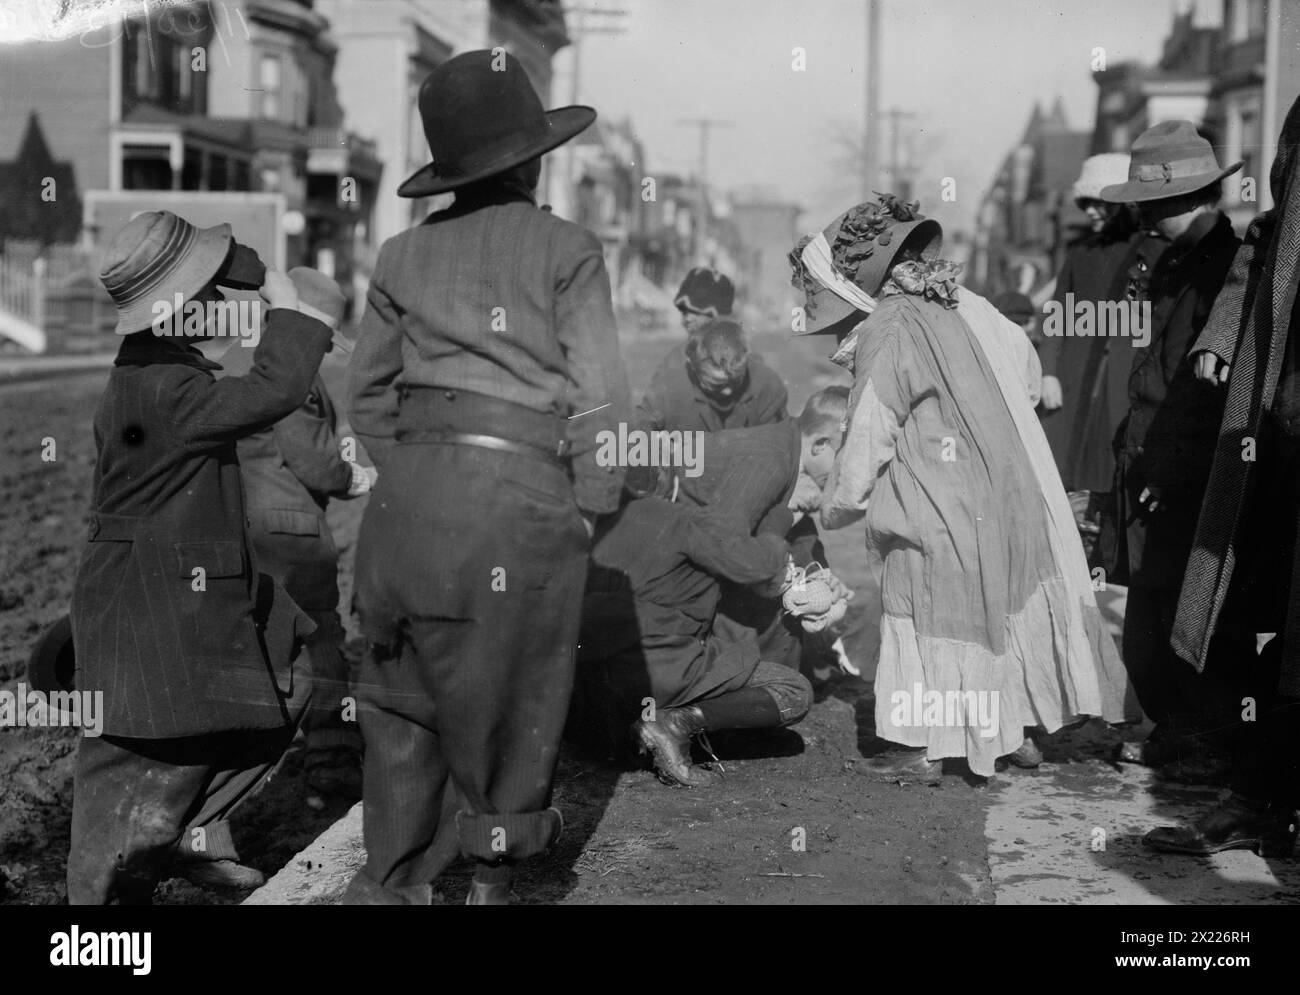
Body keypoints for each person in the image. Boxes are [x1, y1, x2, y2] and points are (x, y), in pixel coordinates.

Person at [344, 50, 630, 906]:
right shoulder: (567, 248)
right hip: (515, 510)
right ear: (534, 159)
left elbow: (365, 399)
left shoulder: (399, 256)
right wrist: (589, 508)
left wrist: (426, 476)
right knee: (508, 711)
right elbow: (602, 405)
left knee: (401, 711)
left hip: (403, 516)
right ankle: (494, 889)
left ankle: (387, 887)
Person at [791, 193, 1135, 780]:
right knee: (998, 607)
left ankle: (927, 749)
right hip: (1010, 490)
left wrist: (835, 506)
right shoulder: (968, 304)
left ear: (858, 284)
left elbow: (871, 431)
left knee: (931, 610)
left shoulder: (887, 329)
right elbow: (1027, 373)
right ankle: (1010, 731)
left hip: (938, 502)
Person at [67, 211, 338, 903]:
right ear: (177, 312)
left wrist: (231, 264)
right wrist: (283, 297)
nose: (220, 308)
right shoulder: (170, 389)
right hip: (152, 615)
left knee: (294, 672)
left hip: (176, 591)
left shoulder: (154, 371)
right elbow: (275, 389)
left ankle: (189, 831)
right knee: (121, 800)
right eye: (205, 296)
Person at [1148, 95, 1300, 856]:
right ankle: (1259, 789)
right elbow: (1268, 245)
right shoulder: (1297, 126)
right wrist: (1223, 329)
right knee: (1254, 598)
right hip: (1277, 414)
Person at [1096, 121, 1255, 772]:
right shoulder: (1174, 261)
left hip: (1181, 467)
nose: (1141, 214)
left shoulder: (1225, 266)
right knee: (1147, 610)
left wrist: (1171, 466)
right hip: (1147, 456)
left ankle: (1196, 738)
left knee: (1177, 611)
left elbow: (1205, 386)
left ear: (1182, 199)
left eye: (1150, 202)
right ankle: (1175, 731)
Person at [579, 465, 837, 787]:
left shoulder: (592, 524)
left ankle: (635, 731)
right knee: (794, 690)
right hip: (658, 671)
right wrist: (779, 519)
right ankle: (674, 724)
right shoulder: (684, 522)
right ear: (668, 481)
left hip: (593, 687)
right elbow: (760, 565)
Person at [213, 297, 375, 807]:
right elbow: (313, 460)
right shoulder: (291, 373)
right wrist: (356, 477)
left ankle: (222, 784)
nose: (323, 350)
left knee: (248, 643)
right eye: (324, 338)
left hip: (234, 528)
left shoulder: (236, 358)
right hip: (289, 530)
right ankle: (331, 760)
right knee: (320, 637)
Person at [1038, 154, 1140, 493]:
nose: (1091, 212)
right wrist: (1048, 372)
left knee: (1107, 477)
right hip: (1073, 378)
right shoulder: (1079, 254)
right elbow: (1056, 318)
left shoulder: (1147, 250)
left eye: (1099, 204)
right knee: (1061, 471)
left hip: (1118, 382)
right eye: (1086, 204)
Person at [636, 316, 788, 433]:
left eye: (735, 382)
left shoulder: (767, 385)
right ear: (694, 368)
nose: (728, 391)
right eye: (717, 385)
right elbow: (635, 437)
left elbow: (779, 450)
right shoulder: (667, 391)